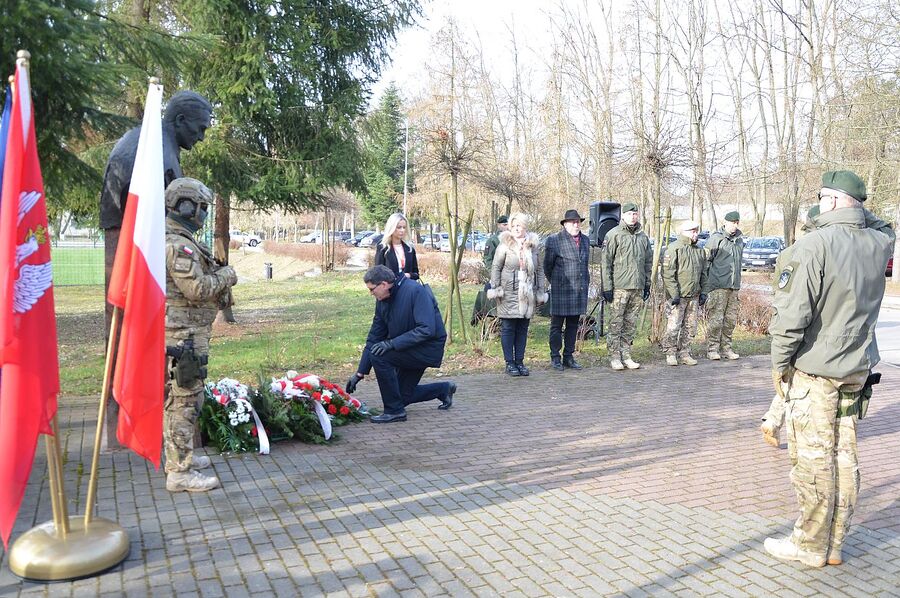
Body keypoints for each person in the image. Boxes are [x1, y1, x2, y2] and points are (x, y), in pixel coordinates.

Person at [764, 170, 893, 568]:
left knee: (814, 461)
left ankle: (810, 544)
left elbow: (790, 320)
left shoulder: (813, 246)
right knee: (844, 456)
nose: (818, 206)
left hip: (815, 372)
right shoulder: (878, 242)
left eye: (822, 198)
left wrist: (779, 367)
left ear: (833, 201)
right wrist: (854, 211)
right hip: (856, 368)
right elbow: (882, 222)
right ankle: (835, 542)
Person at [760, 204, 895, 448]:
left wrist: (780, 359)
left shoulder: (802, 250)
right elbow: (887, 230)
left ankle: (773, 418)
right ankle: (776, 419)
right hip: (838, 353)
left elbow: (787, 307)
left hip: (810, 346)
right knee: (831, 441)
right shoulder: (861, 247)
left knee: (790, 382)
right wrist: (858, 209)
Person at [163, 178, 237, 492]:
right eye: (201, 206)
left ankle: (181, 459)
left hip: (187, 333)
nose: (203, 213)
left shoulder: (182, 239)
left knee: (184, 398)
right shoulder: (178, 244)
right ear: (185, 205)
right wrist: (227, 275)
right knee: (185, 401)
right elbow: (197, 288)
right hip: (184, 336)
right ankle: (179, 472)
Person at [345, 265, 456, 423]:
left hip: (427, 348)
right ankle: (443, 389)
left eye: (372, 289)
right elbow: (374, 337)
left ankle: (394, 411)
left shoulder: (415, 292)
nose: (371, 294)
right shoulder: (383, 300)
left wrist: (391, 344)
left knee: (380, 356)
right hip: (407, 347)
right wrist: (360, 373)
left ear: (383, 284)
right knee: (401, 396)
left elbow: (427, 329)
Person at [487, 213, 547, 376]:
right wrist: (496, 288)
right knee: (508, 328)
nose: (516, 229)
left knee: (522, 328)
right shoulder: (504, 245)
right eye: (513, 226)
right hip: (508, 292)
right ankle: (509, 363)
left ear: (525, 227)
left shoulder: (533, 246)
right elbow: (496, 267)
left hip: (528, 292)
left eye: (519, 226)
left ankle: (520, 361)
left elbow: (540, 269)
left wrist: (541, 290)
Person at [601, 202, 652, 370]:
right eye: (630, 214)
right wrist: (607, 287)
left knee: (630, 325)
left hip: (636, 287)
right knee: (616, 323)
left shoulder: (642, 237)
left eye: (635, 214)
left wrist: (646, 285)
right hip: (619, 288)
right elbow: (606, 263)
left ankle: (627, 355)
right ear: (623, 216)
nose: (633, 217)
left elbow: (648, 263)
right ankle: (615, 356)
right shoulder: (613, 235)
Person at [544, 209, 591, 371]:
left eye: (578, 222)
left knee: (573, 326)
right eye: (572, 222)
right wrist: (557, 282)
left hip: (579, 290)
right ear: (565, 224)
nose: (576, 224)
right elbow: (547, 266)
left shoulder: (585, 240)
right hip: (561, 289)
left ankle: (568, 357)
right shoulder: (554, 240)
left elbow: (584, 265)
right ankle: (555, 357)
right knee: (556, 326)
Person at [661, 221, 708, 366]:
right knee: (673, 326)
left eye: (696, 231)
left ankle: (685, 352)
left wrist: (704, 292)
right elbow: (668, 274)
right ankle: (670, 353)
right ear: (684, 232)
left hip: (693, 295)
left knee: (690, 326)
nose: (695, 234)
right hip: (678, 296)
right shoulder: (674, 249)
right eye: (692, 231)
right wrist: (674, 293)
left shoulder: (699, 251)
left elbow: (704, 273)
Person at [703, 211, 745, 361]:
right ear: (725, 223)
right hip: (718, 286)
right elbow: (706, 262)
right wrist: (706, 286)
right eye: (732, 222)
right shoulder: (716, 239)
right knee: (716, 319)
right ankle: (712, 349)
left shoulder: (739, 240)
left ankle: (726, 348)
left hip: (733, 286)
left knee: (730, 320)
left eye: (736, 223)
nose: (734, 225)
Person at [375, 212, 419, 280]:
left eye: (404, 227)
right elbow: (378, 272)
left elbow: (416, 274)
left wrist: (408, 275)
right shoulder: (383, 247)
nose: (402, 230)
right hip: (389, 288)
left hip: (407, 287)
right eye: (399, 227)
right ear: (391, 227)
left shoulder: (409, 248)